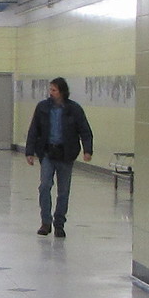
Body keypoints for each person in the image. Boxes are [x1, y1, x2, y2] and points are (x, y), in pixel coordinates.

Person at [24, 77, 94, 237]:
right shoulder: (42, 108)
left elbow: (85, 130)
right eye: (50, 90)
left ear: (62, 91)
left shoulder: (74, 109)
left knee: (63, 191)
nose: (51, 93)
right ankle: (45, 222)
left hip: (66, 154)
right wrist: (29, 151)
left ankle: (59, 223)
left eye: (54, 90)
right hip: (48, 152)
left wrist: (87, 150)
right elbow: (34, 130)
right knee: (44, 186)